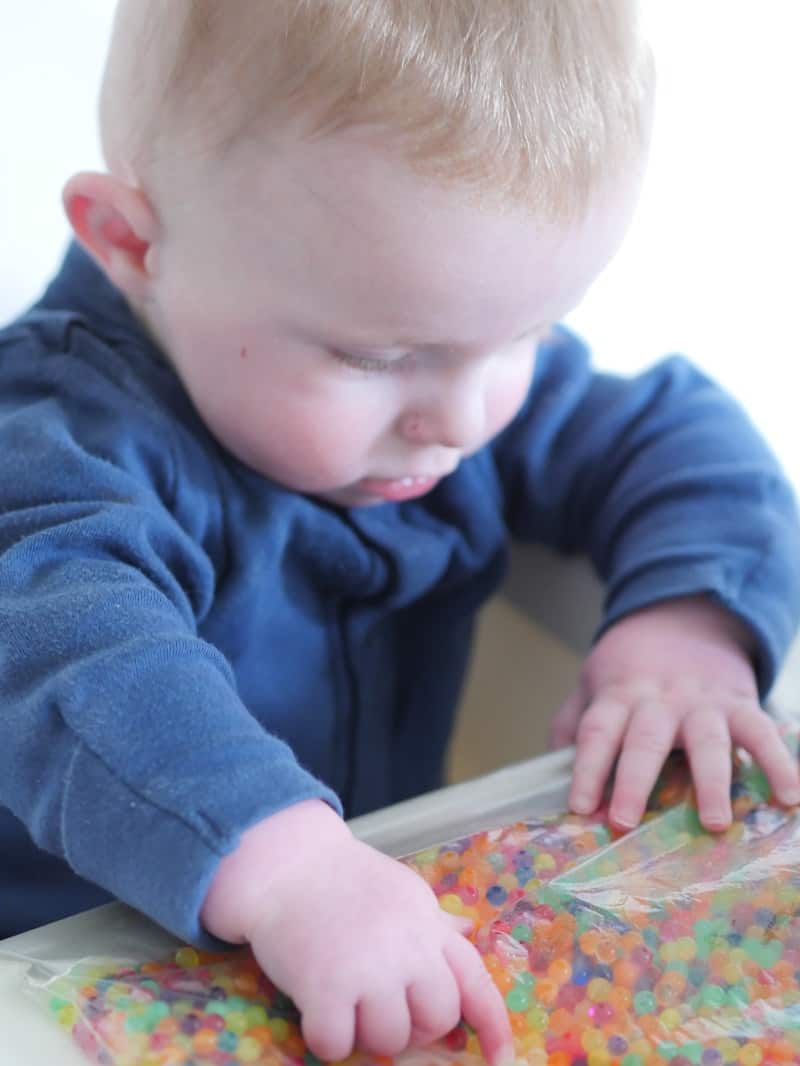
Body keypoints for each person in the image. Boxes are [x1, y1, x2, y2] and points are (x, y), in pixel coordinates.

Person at [1, 1, 799, 1061]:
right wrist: (289, 869)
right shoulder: (52, 446)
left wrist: (686, 626)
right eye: (377, 357)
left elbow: (668, 433)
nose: (466, 420)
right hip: (62, 973)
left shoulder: (441, 375)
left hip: (350, 937)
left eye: (527, 330)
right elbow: (69, 653)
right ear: (133, 242)